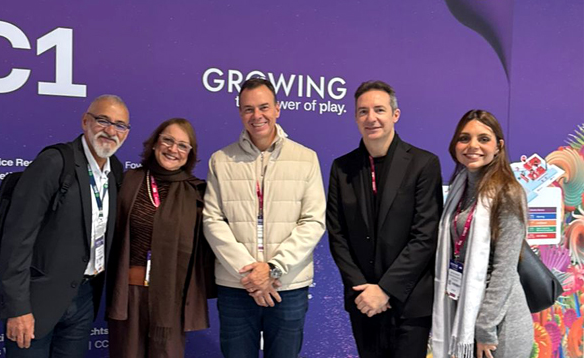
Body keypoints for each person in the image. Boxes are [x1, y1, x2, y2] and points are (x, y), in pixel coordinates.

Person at [0, 95, 129, 357]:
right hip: (36, 300)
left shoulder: (115, 170)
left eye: (120, 125)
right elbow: (17, 238)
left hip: (84, 298)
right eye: (103, 120)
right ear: (85, 121)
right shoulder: (55, 162)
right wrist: (18, 308)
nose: (111, 131)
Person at [203, 77, 326, 358]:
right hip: (237, 286)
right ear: (240, 113)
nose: (257, 115)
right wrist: (250, 273)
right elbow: (212, 221)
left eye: (264, 107)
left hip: (287, 284)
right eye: (248, 109)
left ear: (277, 109)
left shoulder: (306, 158)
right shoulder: (220, 160)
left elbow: (313, 221)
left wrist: (272, 268)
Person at [326, 80, 443, 358]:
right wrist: (363, 290)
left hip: (409, 303)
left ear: (395, 115)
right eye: (363, 111)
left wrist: (386, 289)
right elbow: (337, 234)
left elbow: (425, 236)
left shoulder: (423, 164)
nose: (371, 118)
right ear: (356, 118)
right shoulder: (342, 167)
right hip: (363, 300)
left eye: (379, 110)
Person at [105, 118, 215, 357]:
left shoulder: (198, 193)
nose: (173, 149)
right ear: (155, 143)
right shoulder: (128, 181)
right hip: (130, 293)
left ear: (190, 153)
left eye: (182, 145)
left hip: (172, 298)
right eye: (167, 140)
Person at [432, 110, 533, 358]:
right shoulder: (460, 187)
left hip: (499, 325)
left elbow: (504, 269)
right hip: (465, 308)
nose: (473, 146)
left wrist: (486, 328)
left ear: (498, 147)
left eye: (484, 139)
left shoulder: (508, 192)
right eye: (464, 138)